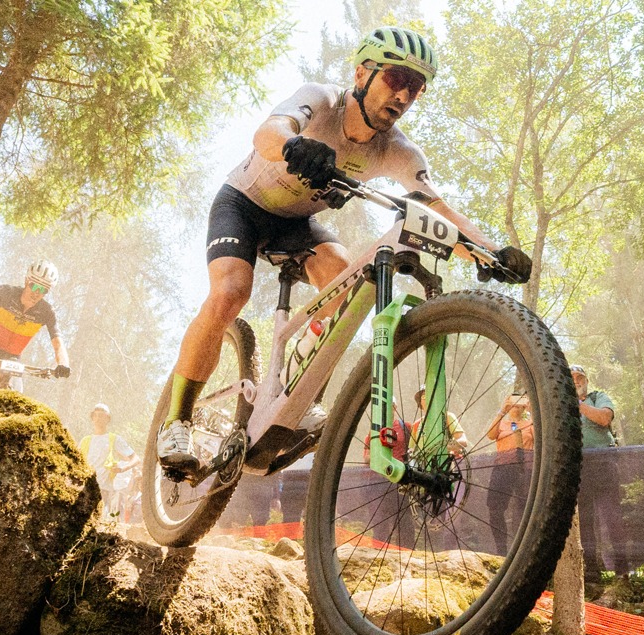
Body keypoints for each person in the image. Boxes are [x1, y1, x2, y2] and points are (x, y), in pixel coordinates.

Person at [155, 26, 531, 470]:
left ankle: (298, 386)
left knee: (346, 283)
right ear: (362, 72)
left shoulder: (399, 151)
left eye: (417, 87)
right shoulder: (322, 100)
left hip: (297, 222)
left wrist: (491, 252)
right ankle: (175, 419)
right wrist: (296, 144)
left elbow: (443, 213)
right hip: (244, 204)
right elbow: (267, 132)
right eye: (396, 79)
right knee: (230, 292)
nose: (405, 96)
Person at [0, 260, 72, 390]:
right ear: (26, 281)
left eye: (43, 290)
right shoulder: (5, 293)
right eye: (34, 286)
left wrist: (63, 364)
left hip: (12, 358)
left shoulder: (46, 312)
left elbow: (58, 343)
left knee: (15, 393)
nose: (37, 293)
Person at [573, 365, 623, 574]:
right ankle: (593, 572)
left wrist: (579, 405)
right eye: (572, 378)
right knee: (584, 519)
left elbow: (604, 418)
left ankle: (623, 570)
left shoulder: (597, 397)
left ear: (586, 380)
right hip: (579, 466)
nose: (576, 381)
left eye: (580, 377)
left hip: (604, 462)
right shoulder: (562, 405)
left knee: (613, 516)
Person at [481, 390, 536, 552]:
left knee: (524, 507)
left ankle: (523, 549)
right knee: (495, 508)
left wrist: (532, 410)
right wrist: (501, 411)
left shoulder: (530, 424)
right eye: (512, 404)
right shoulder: (503, 424)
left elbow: (540, 436)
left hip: (524, 469)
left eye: (520, 404)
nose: (516, 408)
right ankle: (501, 549)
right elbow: (490, 435)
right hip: (502, 468)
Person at [83, 404, 142, 522]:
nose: (98, 418)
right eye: (96, 415)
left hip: (104, 489)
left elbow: (135, 458)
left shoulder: (114, 439)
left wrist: (122, 469)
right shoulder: (85, 440)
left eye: (102, 415)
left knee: (100, 519)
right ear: (92, 418)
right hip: (85, 488)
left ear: (107, 418)